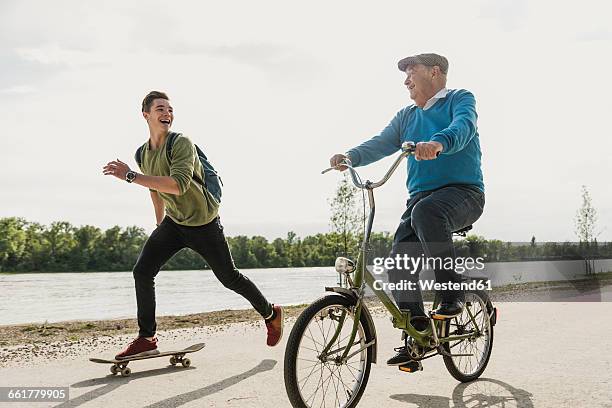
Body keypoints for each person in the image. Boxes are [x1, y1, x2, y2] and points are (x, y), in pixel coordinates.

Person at [329, 53, 484, 366]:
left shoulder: (459, 99)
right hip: (420, 202)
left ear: (435, 72)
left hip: (463, 194)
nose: (405, 81)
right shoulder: (406, 117)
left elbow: (463, 127)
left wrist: (438, 143)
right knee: (398, 264)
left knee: (427, 212)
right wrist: (350, 157)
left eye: (411, 72)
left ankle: (451, 294)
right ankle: (417, 334)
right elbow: (381, 142)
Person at [103, 91, 283, 359]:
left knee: (229, 277)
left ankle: (271, 313)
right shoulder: (142, 153)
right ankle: (147, 338)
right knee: (142, 271)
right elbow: (153, 187)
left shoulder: (181, 143)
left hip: (203, 222)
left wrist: (130, 175)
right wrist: (159, 223)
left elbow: (178, 184)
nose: (167, 114)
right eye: (160, 109)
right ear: (146, 115)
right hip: (174, 224)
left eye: (170, 109)